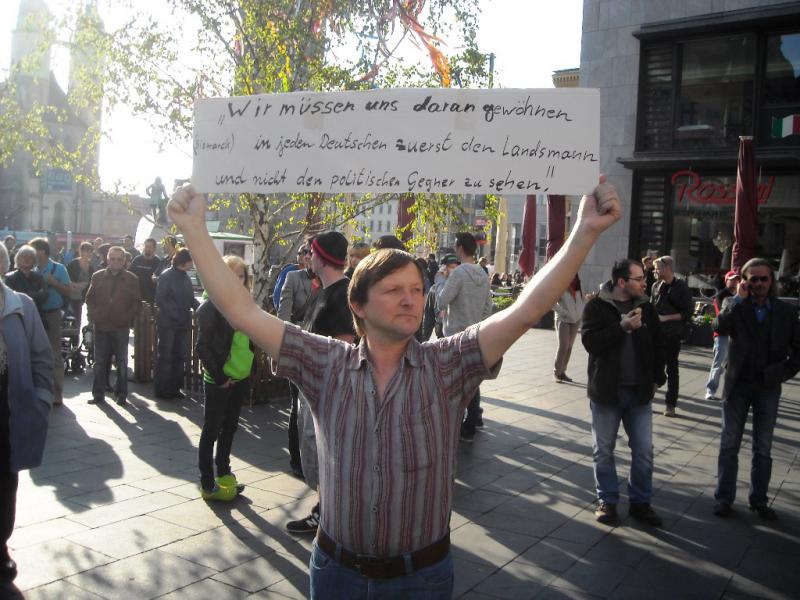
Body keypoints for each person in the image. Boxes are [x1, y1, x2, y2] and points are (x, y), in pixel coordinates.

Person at [167, 177, 620, 599]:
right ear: (358, 305)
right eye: (393, 289)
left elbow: (524, 311)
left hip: (423, 577)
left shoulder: (448, 364)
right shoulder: (326, 362)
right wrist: (193, 229)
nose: (411, 299)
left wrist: (584, 232)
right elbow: (240, 310)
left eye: (418, 290)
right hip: (336, 574)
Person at [712, 258, 800, 520]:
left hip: (767, 386)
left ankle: (758, 500)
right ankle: (723, 498)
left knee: (763, 447)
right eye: (753, 279)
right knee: (729, 444)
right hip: (737, 384)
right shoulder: (734, 305)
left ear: (771, 281)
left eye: (764, 279)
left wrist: (781, 373)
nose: (759, 284)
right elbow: (718, 327)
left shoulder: (785, 312)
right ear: (745, 281)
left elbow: (798, 349)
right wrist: (737, 300)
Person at [581, 259, 666, 527]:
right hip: (607, 391)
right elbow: (590, 342)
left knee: (643, 451)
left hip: (639, 392)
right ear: (621, 282)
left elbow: (658, 345)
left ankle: (641, 502)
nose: (645, 283)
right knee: (603, 450)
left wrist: (656, 378)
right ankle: (607, 500)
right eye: (639, 278)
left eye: (644, 278)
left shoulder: (647, 308)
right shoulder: (597, 306)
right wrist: (621, 328)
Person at [286, 231, 355, 536]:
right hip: (312, 385)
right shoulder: (322, 290)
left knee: (325, 452)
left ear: (322, 256)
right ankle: (324, 508)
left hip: (326, 390)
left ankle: (329, 515)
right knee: (313, 451)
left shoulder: (343, 294)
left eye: (310, 251)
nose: (307, 256)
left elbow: (344, 347)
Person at [0, 242, 53, 585]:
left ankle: (0, 546)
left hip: (9, 405)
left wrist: (42, 399)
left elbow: (41, 356)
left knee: (6, 480)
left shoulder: (22, 306)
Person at [196, 255, 253, 500]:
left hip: (240, 376)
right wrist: (219, 377)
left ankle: (224, 472)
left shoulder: (246, 303)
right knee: (211, 430)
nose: (236, 280)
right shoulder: (211, 307)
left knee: (229, 428)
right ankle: (207, 482)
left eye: (240, 276)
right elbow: (203, 347)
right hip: (220, 379)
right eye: (231, 275)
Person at [438, 232, 493, 442]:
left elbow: (442, 301)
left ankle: (461, 424)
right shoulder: (482, 273)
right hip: (475, 332)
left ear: (460, 247)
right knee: (472, 378)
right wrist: (477, 322)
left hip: (455, 334)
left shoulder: (459, 273)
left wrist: (442, 282)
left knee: (455, 379)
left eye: (455, 245)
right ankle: (474, 419)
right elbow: (489, 306)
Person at [277, 243, 317, 478]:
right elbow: (284, 314)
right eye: (306, 254)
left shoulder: (329, 281)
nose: (309, 258)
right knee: (297, 404)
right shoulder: (293, 277)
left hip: (323, 347)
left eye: (312, 254)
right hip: (299, 345)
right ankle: (297, 458)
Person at [84, 247, 141, 406]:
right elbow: (89, 298)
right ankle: (98, 394)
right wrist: (93, 315)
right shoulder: (97, 276)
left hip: (120, 327)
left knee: (122, 362)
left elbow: (136, 303)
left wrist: (127, 317)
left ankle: (121, 394)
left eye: (119, 259)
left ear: (124, 261)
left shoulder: (132, 279)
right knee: (100, 362)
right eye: (113, 258)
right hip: (101, 326)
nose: (116, 262)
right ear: (107, 259)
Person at [30, 237, 71, 406]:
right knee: (35, 352)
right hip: (34, 314)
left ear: (43, 251)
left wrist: (54, 283)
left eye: (34, 250)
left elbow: (69, 290)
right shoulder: (30, 270)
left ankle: (57, 392)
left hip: (52, 314)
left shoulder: (58, 268)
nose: (31, 254)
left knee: (54, 353)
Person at [651, 255, 693, 417]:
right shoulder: (655, 286)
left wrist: (665, 318)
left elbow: (687, 313)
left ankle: (670, 404)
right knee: (654, 366)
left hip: (673, 334)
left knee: (672, 368)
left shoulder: (682, 288)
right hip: (656, 334)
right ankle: (648, 399)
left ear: (667, 268)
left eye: (658, 267)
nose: (655, 270)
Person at [154, 248, 199, 400]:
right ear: (185, 262)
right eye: (191, 260)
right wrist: (175, 314)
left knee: (179, 356)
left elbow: (191, 299)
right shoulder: (167, 275)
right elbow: (160, 298)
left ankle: (175, 388)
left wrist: (200, 308)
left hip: (181, 323)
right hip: (168, 324)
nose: (193, 263)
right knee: (166, 356)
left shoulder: (185, 277)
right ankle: (162, 389)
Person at [705, 270, 740, 400]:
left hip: (737, 334)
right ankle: (710, 390)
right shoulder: (721, 295)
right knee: (718, 363)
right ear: (726, 280)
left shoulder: (742, 295)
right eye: (732, 279)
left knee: (732, 364)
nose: (735, 281)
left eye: (737, 279)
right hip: (722, 334)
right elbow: (724, 313)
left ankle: (733, 391)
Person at [552, 274, 585, 383]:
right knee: (563, 346)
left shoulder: (578, 288)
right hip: (563, 320)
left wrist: (581, 311)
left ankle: (562, 372)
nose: (573, 279)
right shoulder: (561, 287)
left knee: (569, 347)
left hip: (575, 320)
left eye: (575, 277)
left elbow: (581, 302)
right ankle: (557, 372)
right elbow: (552, 303)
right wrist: (564, 313)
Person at [3, 245, 48, 314]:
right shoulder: (9, 278)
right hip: (17, 315)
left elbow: (44, 297)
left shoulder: (39, 277)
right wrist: (36, 294)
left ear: (34, 261)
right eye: (23, 256)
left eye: (30, 257)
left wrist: (23, 293)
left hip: (37, 314)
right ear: (18, 259)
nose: (26, 259)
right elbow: (11, 299)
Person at [66, 242, 95, 335]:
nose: (89, 253)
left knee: (81, 316)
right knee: (75, 316)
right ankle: (74, 335)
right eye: (86, 251)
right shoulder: (73, 264)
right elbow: (66, 280)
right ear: (81, 251)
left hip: (84, 295)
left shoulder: (90, 267)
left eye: (90, 251)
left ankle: (78, 334)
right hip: (73, 294)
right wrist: (78, 285)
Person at [130, 238, 161, 304]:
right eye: (146, 246)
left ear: (154, 248)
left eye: (150, 247)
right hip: (136, 296)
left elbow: (160, 279)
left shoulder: (157, 262)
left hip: (151, 297)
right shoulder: (137, 259)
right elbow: (130, 274)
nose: (148, 249)